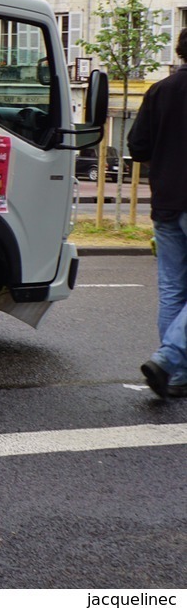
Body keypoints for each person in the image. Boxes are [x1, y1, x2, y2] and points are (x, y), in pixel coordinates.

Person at [130, 27, 187, 400]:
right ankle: (168, 360)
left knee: (172, 290)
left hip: (166, 202)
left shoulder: (160, 90)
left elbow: (136, 147)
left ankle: (176, 375)